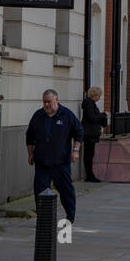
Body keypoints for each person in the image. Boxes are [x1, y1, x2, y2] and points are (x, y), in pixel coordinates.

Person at [26, 89, 83, 226]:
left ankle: (70, 216)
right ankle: (43, 219)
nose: (47, 105)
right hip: (42, 162)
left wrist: (75, 150)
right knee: (40, 191)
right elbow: (29, 136)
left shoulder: (66, 115)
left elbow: (79, 132)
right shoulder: (38, 116)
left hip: (61, 162)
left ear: (56, 100)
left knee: (65, 190)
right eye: (44, 102)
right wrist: (30, 153)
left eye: (49, 102)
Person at [80, 86, 108, 182]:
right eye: (99, 96)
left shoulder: (91, 104)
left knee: (90, 154)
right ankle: (89, 175)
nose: (99, 98)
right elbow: (92, 118)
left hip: (90, 132)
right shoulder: (89, 103)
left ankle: (89, 174)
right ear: (94, 95)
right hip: (89, 133)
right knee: (89, 154)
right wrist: (103, 114)